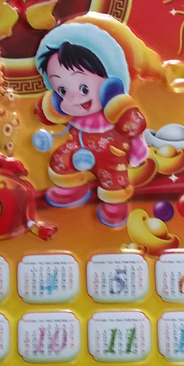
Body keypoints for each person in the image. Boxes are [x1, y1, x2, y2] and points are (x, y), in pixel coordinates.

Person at [34, 13, 165, 228]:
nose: (73, 97)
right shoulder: (67, 109)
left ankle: (115, 205)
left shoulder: (116, 106)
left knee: (113, 177)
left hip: (112, 151)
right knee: (60, 158)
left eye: (83, 88)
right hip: (78, 145)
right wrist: (48, 109)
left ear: (110, 83)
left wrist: (125, 115)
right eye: (62, 90)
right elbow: (43, 115)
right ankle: (70, 188)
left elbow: (135, 124)